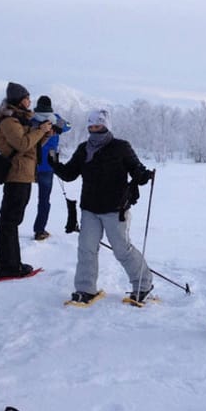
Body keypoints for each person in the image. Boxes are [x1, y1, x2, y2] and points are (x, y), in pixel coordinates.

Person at [53, 109, 154, 304]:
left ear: (106, 126)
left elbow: (136, 169)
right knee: (86, 249)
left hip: (116, 208)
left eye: (98, 126)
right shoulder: (84, 149)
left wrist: (143, 175)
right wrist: (55, 165)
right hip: (90, 207)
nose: (93, 130)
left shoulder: (121, 147)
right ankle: (85, 289)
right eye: (91, 126)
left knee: (122, 250)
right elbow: (70, 174)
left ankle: (143, 284)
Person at [0, 82, 52, 278]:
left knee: (13, 220)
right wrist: (40, 131)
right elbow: (22, 144)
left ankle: (13, 262)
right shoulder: (10, 121)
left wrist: (44, 135)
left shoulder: (20, 120)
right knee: (9, 221)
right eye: (27, 98)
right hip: (16, 175)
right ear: (19, 100)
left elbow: (30, 147)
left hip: (24, 174)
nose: (30, 101)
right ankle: (7, 265)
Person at [31, 95, 72, 241]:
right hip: (49, 163)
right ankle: (39, 230)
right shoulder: (55, 118)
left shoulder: (32, 119)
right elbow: (68, 126)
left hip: (29, 161)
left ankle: (9, 228)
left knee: (20, 196)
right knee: (44, 199)